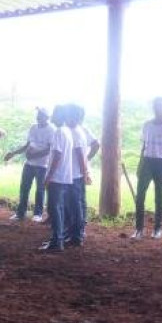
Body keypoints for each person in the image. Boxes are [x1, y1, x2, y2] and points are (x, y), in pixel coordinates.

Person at [132, 97, 162, 239]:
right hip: (147, 161)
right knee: (140, 196)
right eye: (156, 106)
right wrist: (140, 164)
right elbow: (143, 146)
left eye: (161, 106)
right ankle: (139, 229)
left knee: (159, 197)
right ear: (153, 108)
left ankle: (157, 229)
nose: (158, 109)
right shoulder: (147, 125)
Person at [5, 107, 55, 222]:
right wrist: (13, 153)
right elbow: (28, 145)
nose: (38, 117)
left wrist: (35, 155)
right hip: (29, 163)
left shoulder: (51, 130)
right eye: (38, 115)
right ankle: (20, 213)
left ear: (47, 117)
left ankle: (38, 214)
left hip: (42, 165)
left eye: (41, 115)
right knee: (24, 188)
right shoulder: (33, 127)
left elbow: (50, 149)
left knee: (40, 189)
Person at [39, 105, 73, 252]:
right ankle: (57, 240)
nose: (52, 117)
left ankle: (56, 242)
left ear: (60, 116)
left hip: (57, 177)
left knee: (54, 209)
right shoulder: (67, 131)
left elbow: (57, 155)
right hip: (64, 176)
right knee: (58, 208)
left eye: (54, 114)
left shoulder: (59, 132)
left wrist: (49, 176)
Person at [65, 104, 91, 246]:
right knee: (75, 205)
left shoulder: (75, 132)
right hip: (74, 174)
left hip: (74, 175)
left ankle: (77, 236)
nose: (66, 117)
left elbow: (81, 155)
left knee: (75, 206)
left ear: (74, 116)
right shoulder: (75, 130)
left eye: (68, 114)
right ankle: (74, 234)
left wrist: (84, 172)